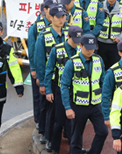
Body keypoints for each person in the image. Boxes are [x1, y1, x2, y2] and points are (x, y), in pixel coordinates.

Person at [60, 34, 108, 154]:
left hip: (96, 105)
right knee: (76, 138)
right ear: (80, 46)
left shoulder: (98, 60)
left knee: (103, 131)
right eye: (87, 48)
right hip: (78, 106)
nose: (90, 51)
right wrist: (67, 108)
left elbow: (103, 82)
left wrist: (105, 103)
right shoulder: (72, 63)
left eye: (92, 48)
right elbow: (64, 85)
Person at [0, 19, 24, 154]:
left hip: (0, 88)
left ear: (2, 32)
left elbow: (14, 69)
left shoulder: (8, 49)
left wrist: (18, 86)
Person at [44, 26, 83, 154]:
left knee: (75, 122)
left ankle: (75, 148)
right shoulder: (57, 50)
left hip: (77, 90)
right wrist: (48, 90)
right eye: (74, 39)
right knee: (59, 121)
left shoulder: (81, 50)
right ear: (68, 37)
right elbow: (49, 70)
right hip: (61, 90)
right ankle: (55, 148)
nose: (77, 42)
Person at [34, 4, 69, 148]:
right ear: (50, 18)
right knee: (51, 111)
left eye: (63, 16)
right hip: (52, 81)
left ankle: (67, 135)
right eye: (58, 17)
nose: (61, 20)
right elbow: (40, 61)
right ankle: (48, 138)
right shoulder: (43, 36)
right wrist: (43, 83)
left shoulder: (69, 33)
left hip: (67, 80)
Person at [27, 0, 57, 133]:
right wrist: (33, 69)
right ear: (45, 10)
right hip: (40, 68)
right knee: (39, 97)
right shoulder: (36, 27)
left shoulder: (58, 26)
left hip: (54, 71)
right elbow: (32, 50)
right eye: (51, 9)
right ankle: (39, 121)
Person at [101, 39, 122, 126]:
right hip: (120, 113)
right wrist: (106, 116)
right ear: (120, 53)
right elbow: (105, 95)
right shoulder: (111, 72)